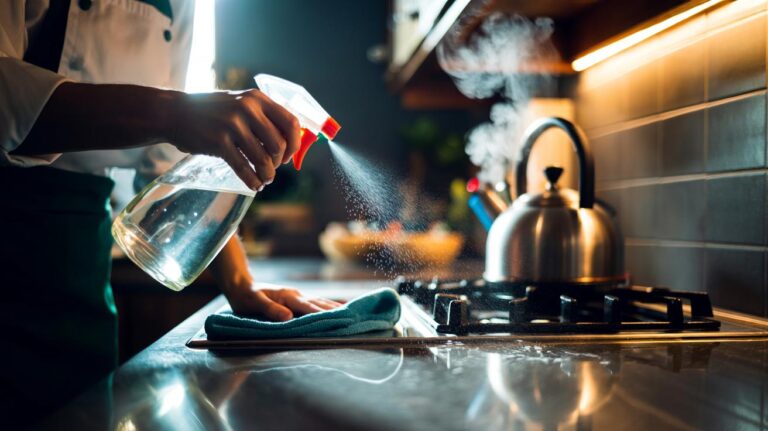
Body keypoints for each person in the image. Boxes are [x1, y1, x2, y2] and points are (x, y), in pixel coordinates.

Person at [0, 0, 339, 425]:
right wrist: (174, 112)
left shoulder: (181, 5)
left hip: (84, 256)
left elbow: (163, 160)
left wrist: (241, 284)